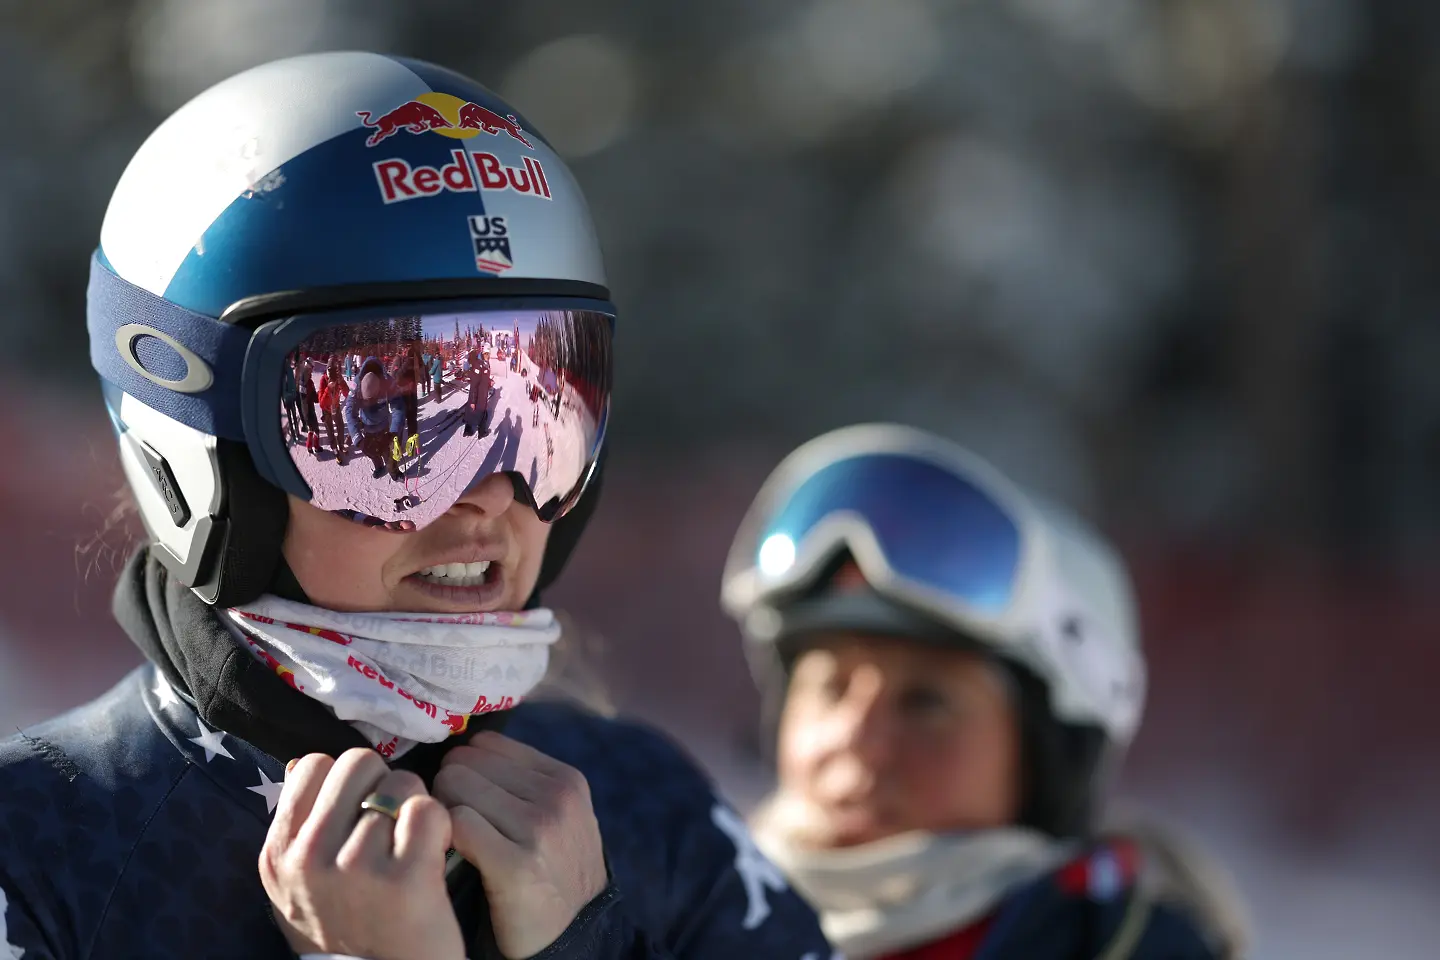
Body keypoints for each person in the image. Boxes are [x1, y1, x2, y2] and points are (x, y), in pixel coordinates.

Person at [0, 53, 832, 960]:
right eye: (394, 423)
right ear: (199, 458)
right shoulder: (44, 851)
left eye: (544, 410)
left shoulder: (650, 810)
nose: (490, 495)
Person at [721, 424, 1250, 960]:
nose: (858, 739)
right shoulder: (678, 919)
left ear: (1046, 758)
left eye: (924, 702)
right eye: (830, 688)